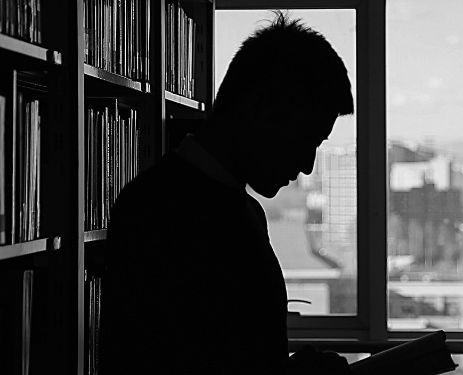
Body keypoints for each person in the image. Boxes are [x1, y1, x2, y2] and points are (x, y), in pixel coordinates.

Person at [101, 12, 354, 374]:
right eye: (307, 139)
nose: (307, 165)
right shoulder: (161, 213)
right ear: (263, 110)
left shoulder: (158, 202)